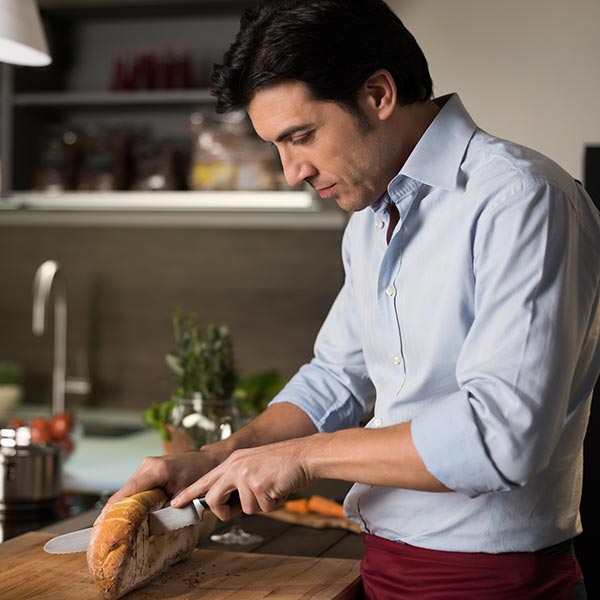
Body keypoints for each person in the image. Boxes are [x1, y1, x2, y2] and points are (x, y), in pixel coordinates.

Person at [111, 1, 600, 597]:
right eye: (277, 147)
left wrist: (303, 457)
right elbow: (337, 379)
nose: (292, 172)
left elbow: (502, 437)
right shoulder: (372, 217)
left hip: (494, 583)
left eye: (301, 137)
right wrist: (221, 455)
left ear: (377, 94)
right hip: (383, 569)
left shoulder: (522, 200)